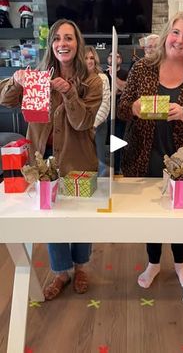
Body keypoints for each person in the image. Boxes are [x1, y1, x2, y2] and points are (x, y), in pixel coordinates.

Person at [0, 19, 103, 300]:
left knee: (80, 218)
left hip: (77, 161)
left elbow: (83, 122)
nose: (62, 43)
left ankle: (81, 267)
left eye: (69, 38)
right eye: (57, 38)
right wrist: (15, 80)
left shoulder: (92, 81)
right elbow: (6, 100)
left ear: (77, 43)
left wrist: (69, 92)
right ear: (52, 44)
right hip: (42, 162)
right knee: (49, 217)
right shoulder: (37, 75)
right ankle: (61, 272)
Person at [117, 10, 183, 289]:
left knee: (180, 211)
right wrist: (135, 108)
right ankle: (153, 262)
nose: (179, 40)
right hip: (145, 153)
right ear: (166, 35)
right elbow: (123, 109)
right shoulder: (142, 69)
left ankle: (179, 262)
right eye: (175, 32)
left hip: (182, 158)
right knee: (153, 214)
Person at [85, 45, 110, 176]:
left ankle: (101, 192)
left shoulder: (103, 78)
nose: (89, 61)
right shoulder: (77, 78)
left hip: (98, 126)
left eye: (92, 58)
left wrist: (92, 125)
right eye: (85, 58)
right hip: (80, 127)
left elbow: (105, 105)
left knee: (99, 161)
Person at [105, 49, 128, 174]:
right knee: (102, 144)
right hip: (104, 115)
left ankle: (117, 170)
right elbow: (106, 93)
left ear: (121, 59)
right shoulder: (103, 74)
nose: (113, 58)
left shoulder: (127, 73)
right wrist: (117, 90)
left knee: (117, 143)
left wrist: (114, 77)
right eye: (111, 56)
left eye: (117, 56)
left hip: (119, 116)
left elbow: (125, 89)